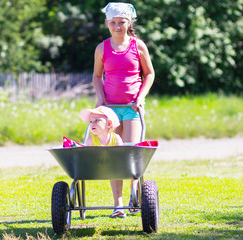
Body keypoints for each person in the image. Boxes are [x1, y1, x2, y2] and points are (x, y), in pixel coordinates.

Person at [92, 2, 155, 217]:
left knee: (130, 152)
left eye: (122, 22)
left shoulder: (138, 46)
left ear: (129, 23)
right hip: (110, 109)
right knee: (113, 154)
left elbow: (149, 74)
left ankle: (134, 196)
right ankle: (118, 204)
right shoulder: (102, 48)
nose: (117, 26)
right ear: (107, 23)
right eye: (113, 23)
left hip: (131, 108)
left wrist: (141, 97)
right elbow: (97, 77)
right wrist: (100, 97)